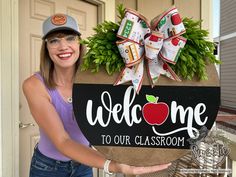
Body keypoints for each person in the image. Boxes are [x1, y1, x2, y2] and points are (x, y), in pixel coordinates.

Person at [23, 13, 171, 177]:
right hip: (47, 168)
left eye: (70, 38)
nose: (63, 46)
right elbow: (62, 141)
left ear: (79, 43)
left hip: (84, 164)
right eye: (54, 40)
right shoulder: (34, 85)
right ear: (46, 48)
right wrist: (115, 165)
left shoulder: (97, 80)